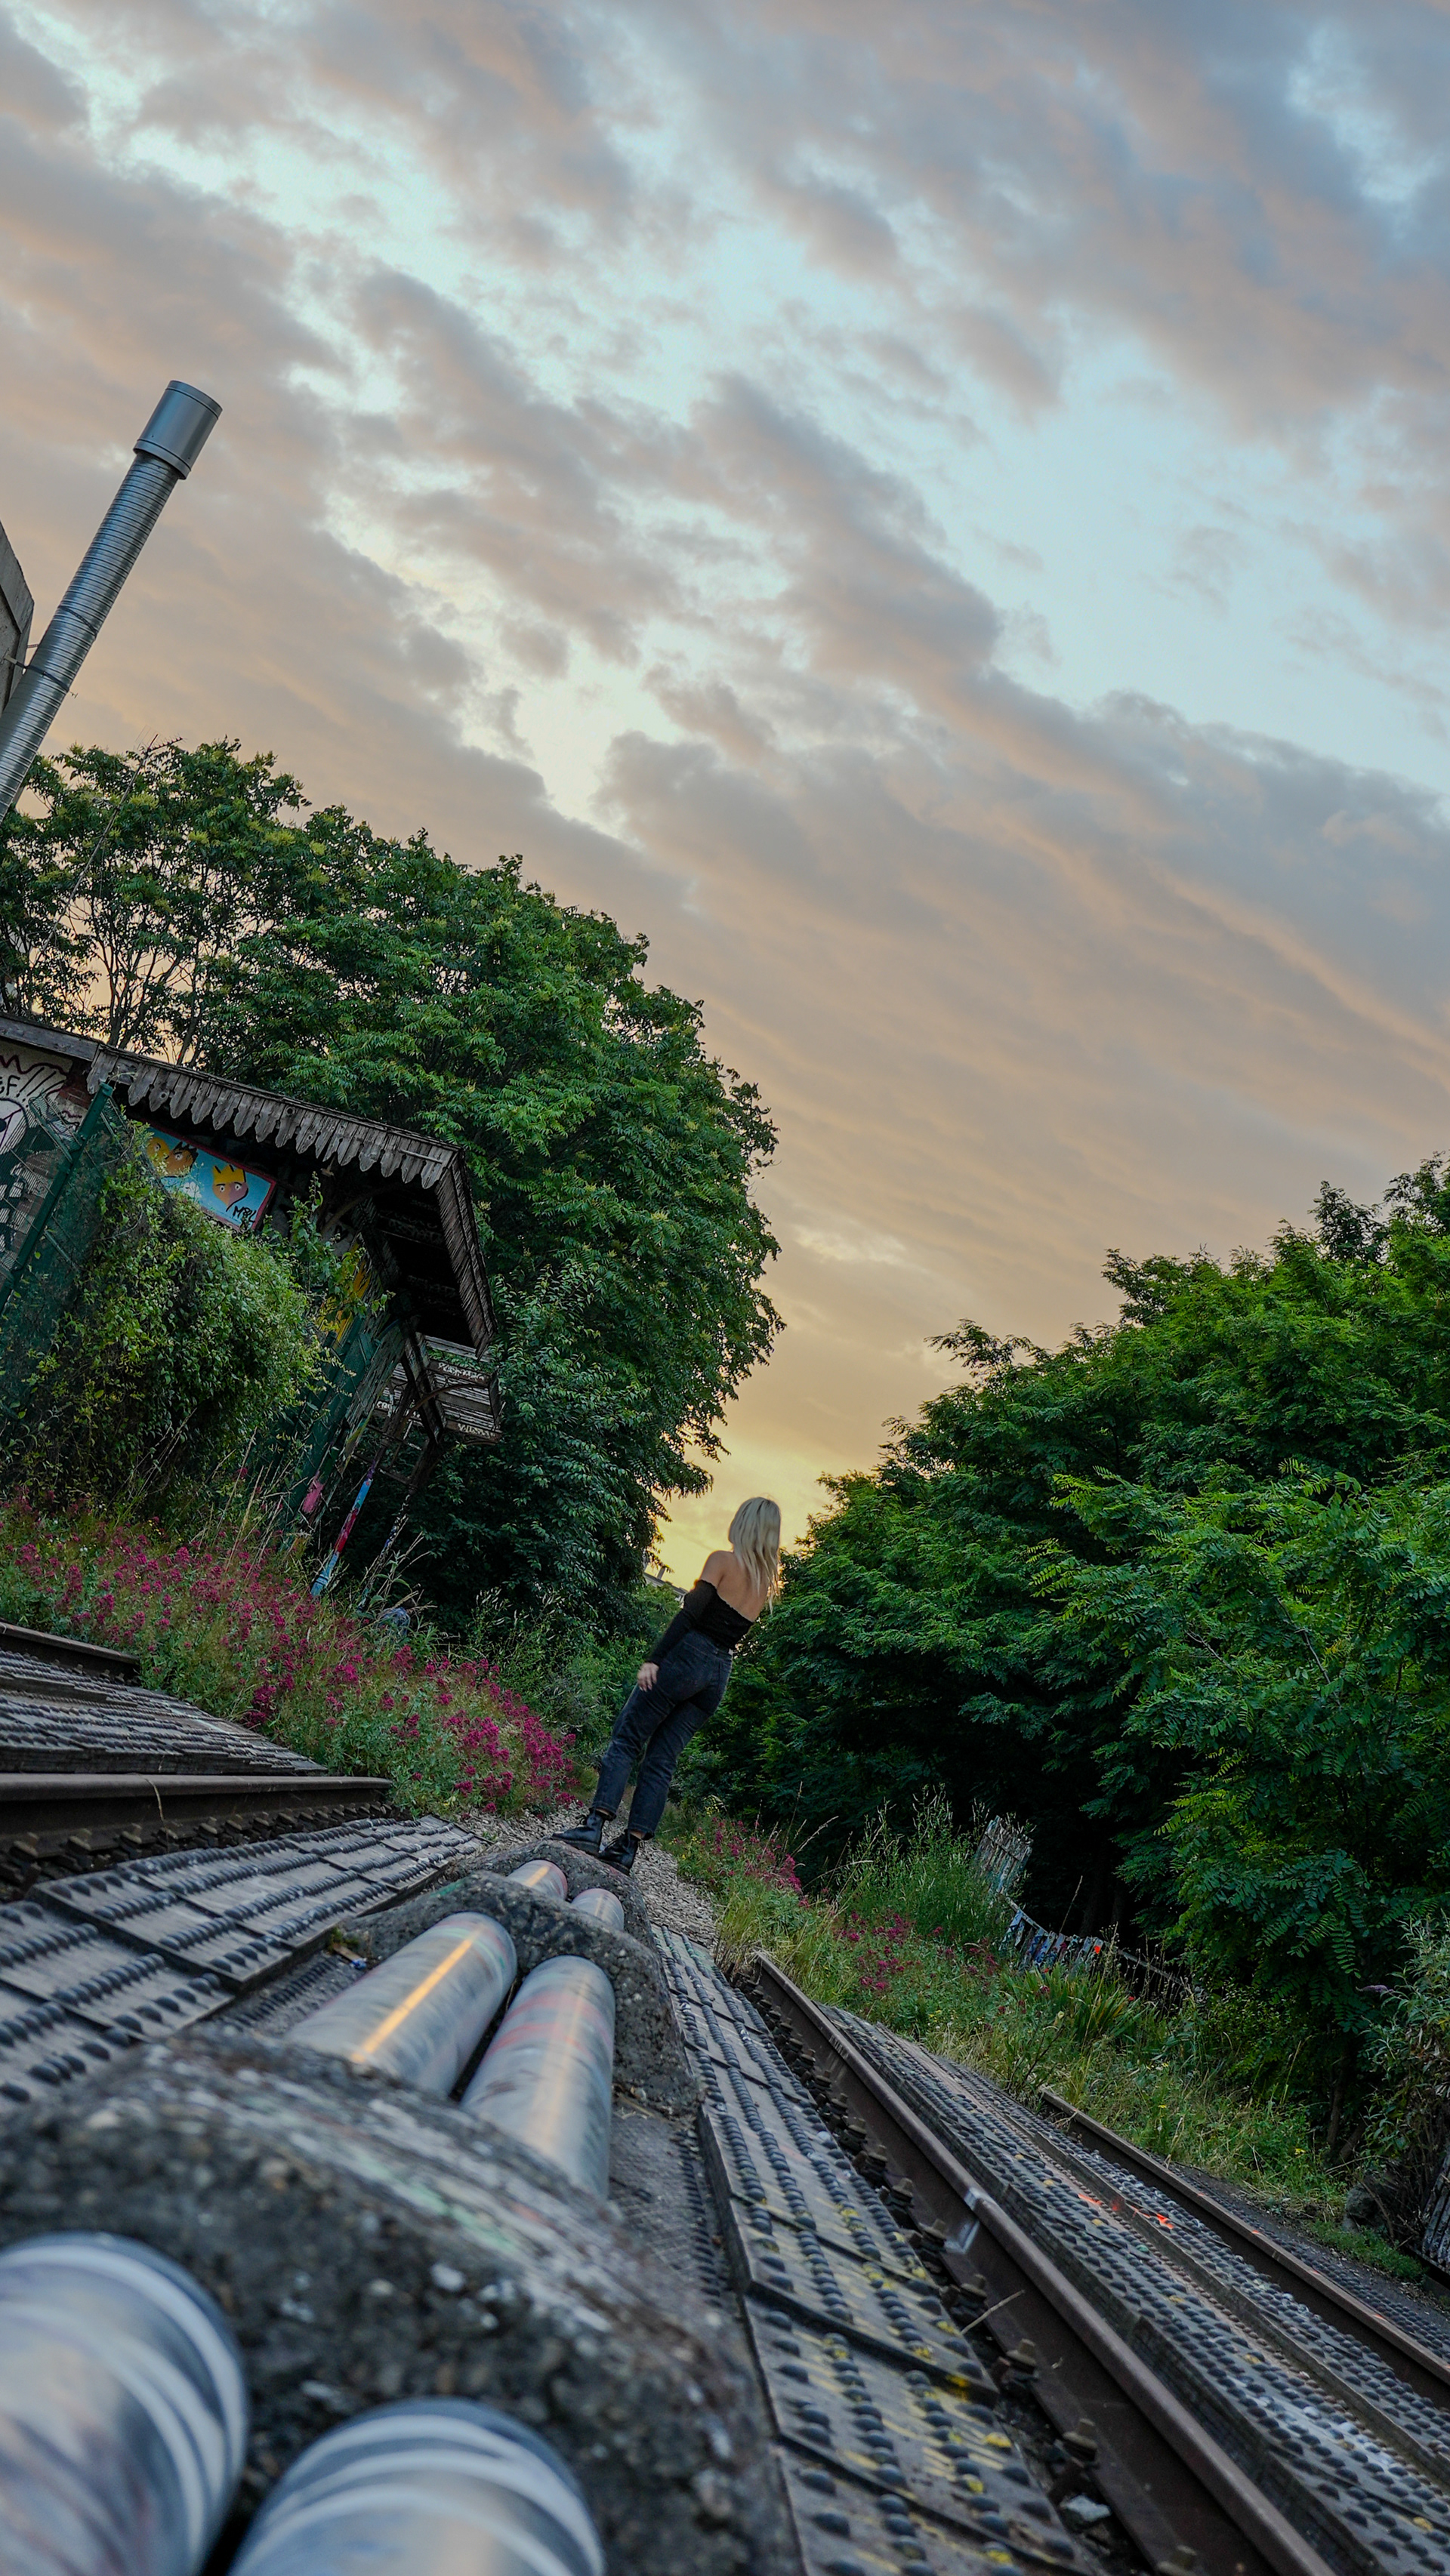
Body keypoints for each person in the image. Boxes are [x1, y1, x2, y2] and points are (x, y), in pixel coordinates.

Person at [559, 1497, 782, 1874]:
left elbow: (690, 1613)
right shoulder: (764, 1586)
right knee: (662, 1760)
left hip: (687, 1658)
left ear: (744, 1523)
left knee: (628, 1736)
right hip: (718, 1674)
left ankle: (593, 1827)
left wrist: (655, 1659)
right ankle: (627, 1849)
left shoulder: (723, 1561)